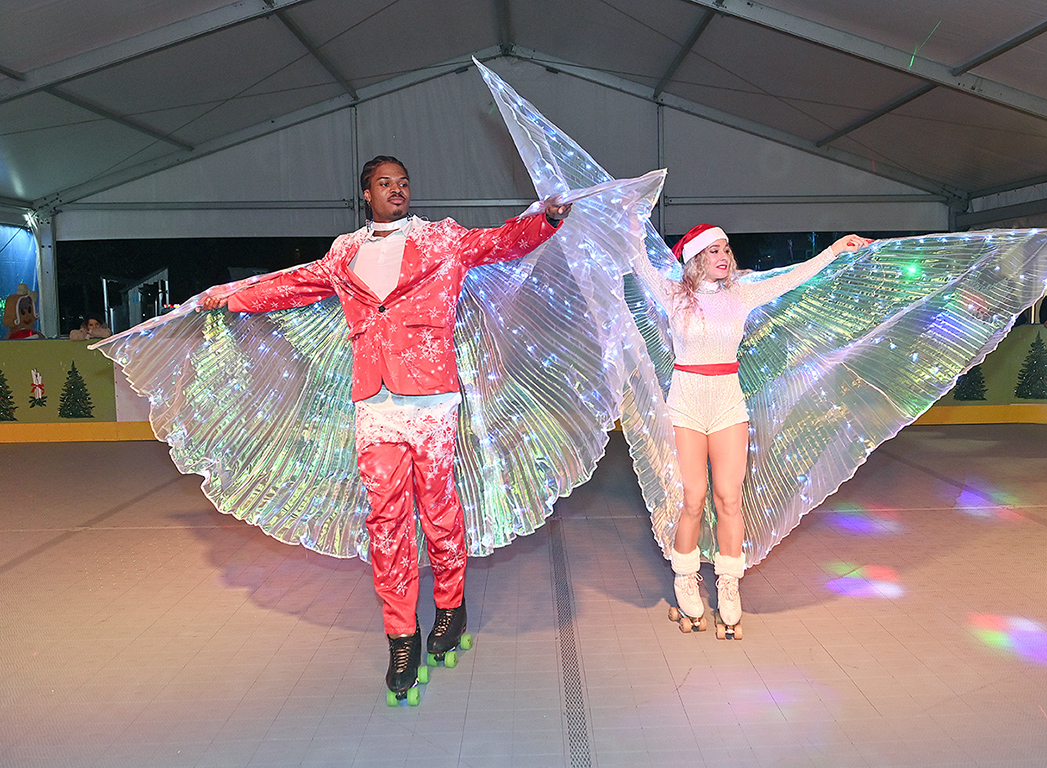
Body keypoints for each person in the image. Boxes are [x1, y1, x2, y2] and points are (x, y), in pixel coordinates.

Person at [201, 155, 571, 701]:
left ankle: (450, 606)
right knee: (386, 520)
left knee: (438, 508)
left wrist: (547, 219)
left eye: (402, 183)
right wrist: (230, 297)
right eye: (384, 183)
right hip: (373, 400)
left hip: (431, 399)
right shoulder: (344, 253)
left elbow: (501, 242)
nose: (396, 190)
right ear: (366, 195)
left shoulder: (441, 239)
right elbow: (292, 285)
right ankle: (401, 635)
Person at [628, 225, 870, 638]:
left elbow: (793, 277)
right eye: (713, 250)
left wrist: (832, 251)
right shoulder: (673, 295)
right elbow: (637, 259)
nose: (724, 256)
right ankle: (685, 577)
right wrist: (627, 218)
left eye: (726, 249)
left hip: (727, 405)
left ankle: (728, 583)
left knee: (729, 498)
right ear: (695, 258)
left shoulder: (740, 295)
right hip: (686, 406)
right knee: (692, 498)